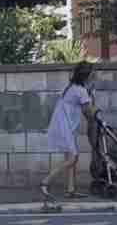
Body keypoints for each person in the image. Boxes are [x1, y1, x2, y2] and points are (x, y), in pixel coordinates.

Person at [41, 61, 97, 201]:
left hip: (62, 123)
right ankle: (45, 182)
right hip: (64, 126)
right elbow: (88, 112)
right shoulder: (81, 91)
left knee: (70, 158)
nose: (93, 76)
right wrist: (93, 104)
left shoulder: (72, 87)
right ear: (87, 75)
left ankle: (70, 190)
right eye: (91, 74)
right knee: (73, 157)